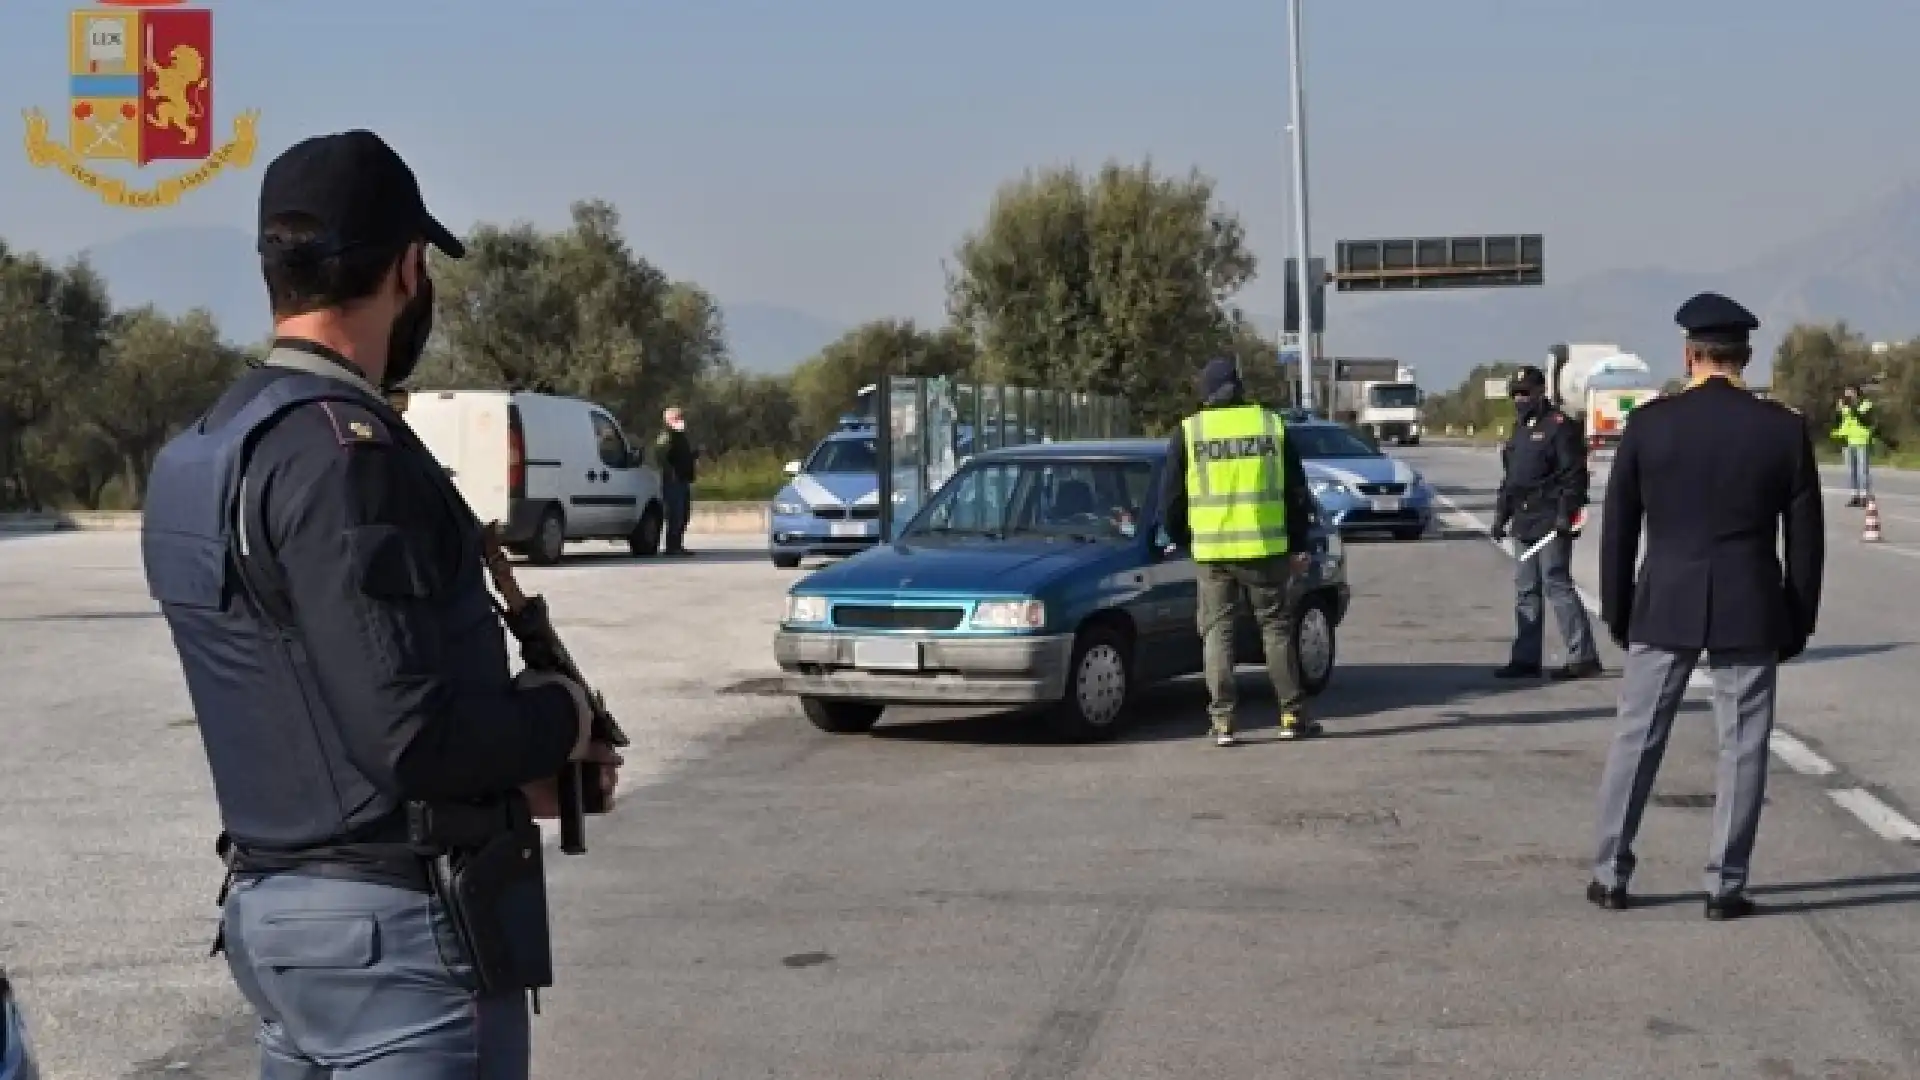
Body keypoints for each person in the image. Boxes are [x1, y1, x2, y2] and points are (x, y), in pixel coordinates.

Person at [140, 129, 623, 1078]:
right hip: (396, 949)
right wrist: (558, 717)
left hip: (280, 925)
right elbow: (408, 735)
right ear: (410, 268)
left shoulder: (203, 449)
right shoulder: (343, 454)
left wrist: (506, 777)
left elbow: (306, 693)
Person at [1589, 291, 1824, 921]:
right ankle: (1724, 885)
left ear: (1690, 353)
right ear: (1745, 355)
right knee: (1743, 746)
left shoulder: (1650, 425)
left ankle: (1611, 873)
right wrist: (1796, 621)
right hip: (1749, 605)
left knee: (1636, 741)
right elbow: (1805, 541)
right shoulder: (1781, 429)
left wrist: (1618, 610)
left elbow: (1619, 532)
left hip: (1663, 603)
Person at [1160, 356, 1321, 746]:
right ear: (1241, 387)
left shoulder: (1190, 431)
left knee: (1218, 632)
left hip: (1213, 552)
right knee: (1276, 629)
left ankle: (1223, 722)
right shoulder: (1270, 425)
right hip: (1266, 549)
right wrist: (1299, 544)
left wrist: (1184, 539)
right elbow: (1297, 493)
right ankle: (1291, 715)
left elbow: (1171, 500)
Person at [1489, 365, 1603, 681]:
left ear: (1542, 392)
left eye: (1526, 392)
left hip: (1551, 519)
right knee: (1526, 589)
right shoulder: (1519, 429)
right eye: (1517, 394)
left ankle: (1583, 656)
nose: (1521, 398)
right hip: (1524, 521)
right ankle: (1525, 659)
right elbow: (1511, 479)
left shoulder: (1559, 426)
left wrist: (1567, 514)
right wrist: (1501, 516)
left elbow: (1574, 477)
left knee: (1556, 583)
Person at [654, 405, 697, 557]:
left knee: (684, 514)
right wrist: (670, 473)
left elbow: (681, 456)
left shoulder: (680, 436)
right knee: (675, 514)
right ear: (670, 419)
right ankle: (672, 546)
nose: (681, 420)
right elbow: (661, 456)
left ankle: (678, 544)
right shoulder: (667, 436)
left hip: (683, 479)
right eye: (678, 417)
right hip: (674, 481)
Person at [1833, 385, 1882, 507]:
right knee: (1851, 471)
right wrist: (1839, 411)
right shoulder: (1845, 407)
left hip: (1862, 440)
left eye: (1850, 393)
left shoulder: (1865, 404)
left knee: (1863, 471)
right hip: (1849, 442)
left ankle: (1865, 496)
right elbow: (1841, 422)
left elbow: (1862, 419)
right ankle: (1854, 496)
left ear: (1856, 393)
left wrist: (1850, 408)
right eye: (1846, 393)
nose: (1848, 395)